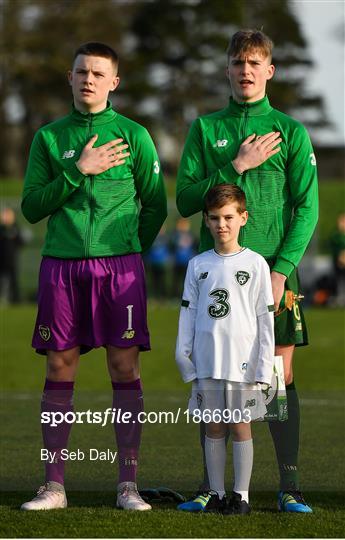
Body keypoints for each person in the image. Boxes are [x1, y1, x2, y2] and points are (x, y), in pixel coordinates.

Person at [21, 42, 167, 511]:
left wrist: (128, 249)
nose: (89, 79)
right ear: (69, 77)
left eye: (98, 73)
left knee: (124, 368)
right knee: (59, 367)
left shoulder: (134, 135)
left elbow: (156, 204)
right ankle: (54, 485)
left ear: (114, 82)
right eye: (82, 71)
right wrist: (77, 171)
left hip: (118, 268)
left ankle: (127, 485)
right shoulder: (48, 138)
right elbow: (30, 207)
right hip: (61, 266)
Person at [176, 29, 318, 513]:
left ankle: (288, 485)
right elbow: (187, 199)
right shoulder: (205, 128)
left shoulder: (291, 131)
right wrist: (236, 164)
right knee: (213, 375)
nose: (246, 71)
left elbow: (307, 209)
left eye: (255, 62)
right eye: (238, 62)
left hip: (274, 275)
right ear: (228, 69)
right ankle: (210, 485)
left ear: (269, 70)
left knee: (276, 375)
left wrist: (282, 269)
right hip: (216, 275)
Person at [176, 184, 274, 514]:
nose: (223, 225)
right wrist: (183, 355)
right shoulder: (197, 264)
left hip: (242, 362)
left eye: (229, 217)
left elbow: (264, 319)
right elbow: (188, 311)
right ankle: (216, 494)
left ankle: (241, 495)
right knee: (214, 427)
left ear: (243, 218)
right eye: (215, 218)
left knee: (240, 424)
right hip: (207, 360)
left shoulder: (257, 263)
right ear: (205, 221)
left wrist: (264, 368)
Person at [0, 207, 24, 303]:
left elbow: (21, 242)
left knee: (14, 280)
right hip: (1, 259)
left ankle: (15, 299)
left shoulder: (15, 228)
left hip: (12, 259)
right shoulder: (1, 229)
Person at [170, 217, 197, 298]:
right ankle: (174, 296)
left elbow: (195, 246)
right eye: (180, 224)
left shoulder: (191, 235)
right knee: (176, 280)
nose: (182, 226)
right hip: (177, 262)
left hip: (187, 262)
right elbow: (171, 247)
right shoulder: (174, 235)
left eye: (184, 224)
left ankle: (187, 296)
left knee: (187, 281)